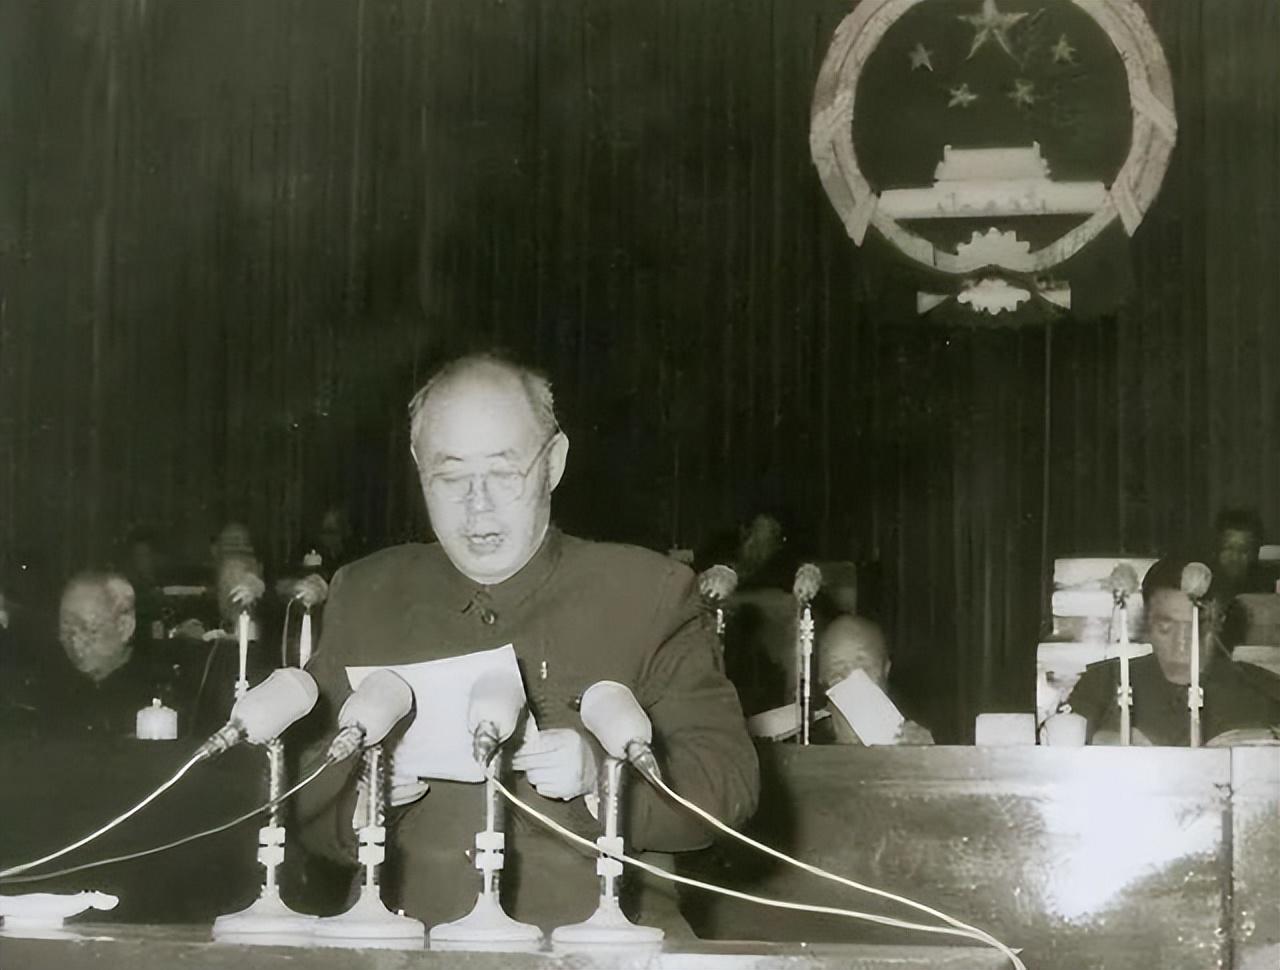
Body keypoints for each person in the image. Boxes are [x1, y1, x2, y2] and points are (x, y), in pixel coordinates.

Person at [296, 353, 759, 933]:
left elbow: (728, 784)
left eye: (504, 473)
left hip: (603, 951)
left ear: (554, 462)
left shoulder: (648, 594)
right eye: (450, 477)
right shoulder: (365, 592)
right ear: (418, 468)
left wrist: (601, 781)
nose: (478, 504)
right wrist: (357, 801)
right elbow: (297, 787)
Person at [1067, 557, 1280, 746]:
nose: (1181, 642)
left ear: (1220, 622)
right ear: (1147, 622)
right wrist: (1098, 743)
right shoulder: (1102, 685)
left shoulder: (1261, 690)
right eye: (1165, 628)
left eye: (1196, 627)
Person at [44, 572, 178, 737]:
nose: (74, 641)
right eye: (66, 629)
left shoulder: (160, 691)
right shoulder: (49, 689)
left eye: (87, 628)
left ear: (124, 627)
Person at [814, 615, 933, 746]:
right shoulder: (805, 739)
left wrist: (922, 754)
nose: (853, 684)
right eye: (837, 673)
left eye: (864, 670)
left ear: (886, 669)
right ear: (821, 678)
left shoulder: (913, 734)